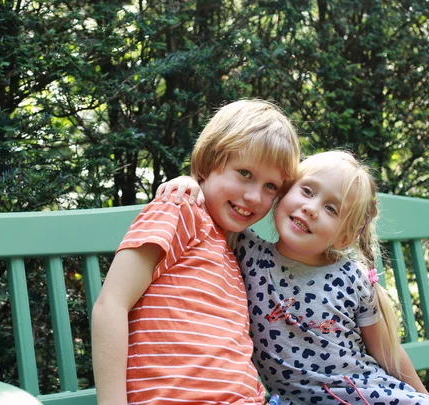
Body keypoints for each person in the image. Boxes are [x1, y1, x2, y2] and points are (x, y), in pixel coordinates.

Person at [156, 150, 429, 404]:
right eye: (307, 191)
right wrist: (190, 182)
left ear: (344, 236)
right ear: (284, 194)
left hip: (371, 396)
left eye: (331, 209)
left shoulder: (350, 277)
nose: (311, 208)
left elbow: (388, 354)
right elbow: (217, 202)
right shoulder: (247, 251)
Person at [91, 99, 301, 405]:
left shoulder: (235, 249)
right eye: (244, 173)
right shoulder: (179, 210)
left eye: (271, 186)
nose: (254, 196)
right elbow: (111, 305)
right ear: (207, 163)